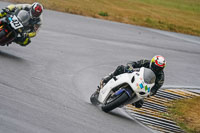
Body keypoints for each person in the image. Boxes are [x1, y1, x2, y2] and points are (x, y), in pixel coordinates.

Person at [99, 55, 166, 108]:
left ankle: (123, 101)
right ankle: (107, 79)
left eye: (159, 68)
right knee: (121, 68)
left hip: (142, 87)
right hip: (135, 76)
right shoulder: (146, 62)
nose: (157, 69)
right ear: (152, 63)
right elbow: (133, 63)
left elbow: (155, 89)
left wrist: (150, 93)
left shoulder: (161, 78)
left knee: (139, 104)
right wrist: (130, 67)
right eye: (155, 66)